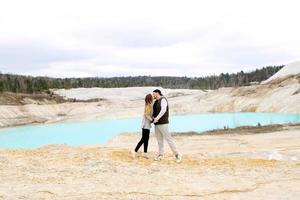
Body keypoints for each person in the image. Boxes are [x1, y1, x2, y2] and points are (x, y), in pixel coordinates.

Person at [152, 89, 182, 162]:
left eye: (154, 94)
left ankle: (177, 155)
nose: (153, 95)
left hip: (163, 123)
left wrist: (156, 118)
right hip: (156, 124)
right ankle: (160, 155)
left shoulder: (163, 100)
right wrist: (153, 118)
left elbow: (163, 110)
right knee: (159, 140)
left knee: (169, 139)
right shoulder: (155, 102)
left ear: (157, 93)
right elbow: (154, 112)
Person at [131, 94, 153, 159]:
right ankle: (134, 151)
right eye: (152, 98)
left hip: (146, 124)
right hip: (145, 124)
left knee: (146, 139)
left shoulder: (149, 104)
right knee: (143, 139)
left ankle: (145, 153)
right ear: (150, 99)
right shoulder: (148, 105)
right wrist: (152, 120)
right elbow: (146, 114)